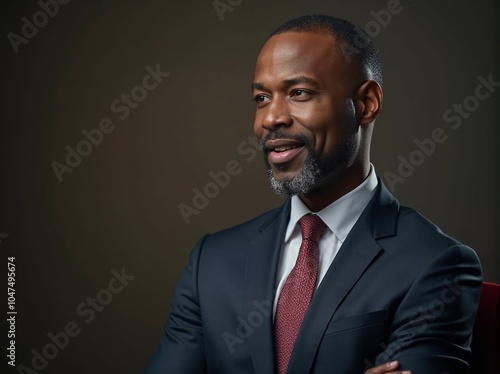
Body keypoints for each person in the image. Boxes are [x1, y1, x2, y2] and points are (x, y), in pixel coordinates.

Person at [144, 15, 482, 374]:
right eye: (261, 98)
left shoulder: (435, 264)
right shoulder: (211, 262)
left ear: (366, 103)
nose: (271, 118)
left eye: (299, 93)